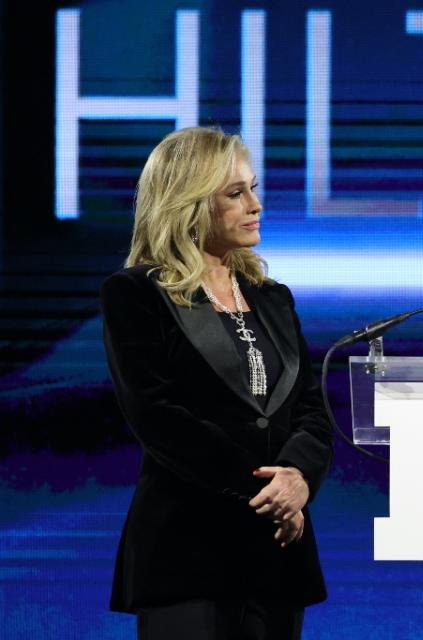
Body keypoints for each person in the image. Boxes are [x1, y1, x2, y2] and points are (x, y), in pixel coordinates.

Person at [101, 127, 333, 639]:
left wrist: (299, 479)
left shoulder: (273, 297)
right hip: (189, 550)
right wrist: (270, 493)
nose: (255, 205)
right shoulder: (137, 293)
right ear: (187, 203)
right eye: (235, 193)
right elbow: (156, 415)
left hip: (278, 553)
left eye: (253, 188)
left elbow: (311, 410)